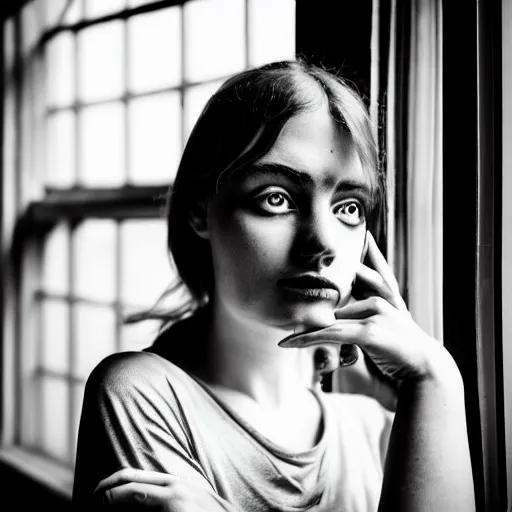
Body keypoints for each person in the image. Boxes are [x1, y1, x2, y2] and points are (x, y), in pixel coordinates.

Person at [72, 59, 475, 512]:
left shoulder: (382, 433)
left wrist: (436, 376)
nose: (322, 244)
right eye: (277, 198)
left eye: (348, 207)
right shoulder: (141, 396)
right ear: (199, 212)